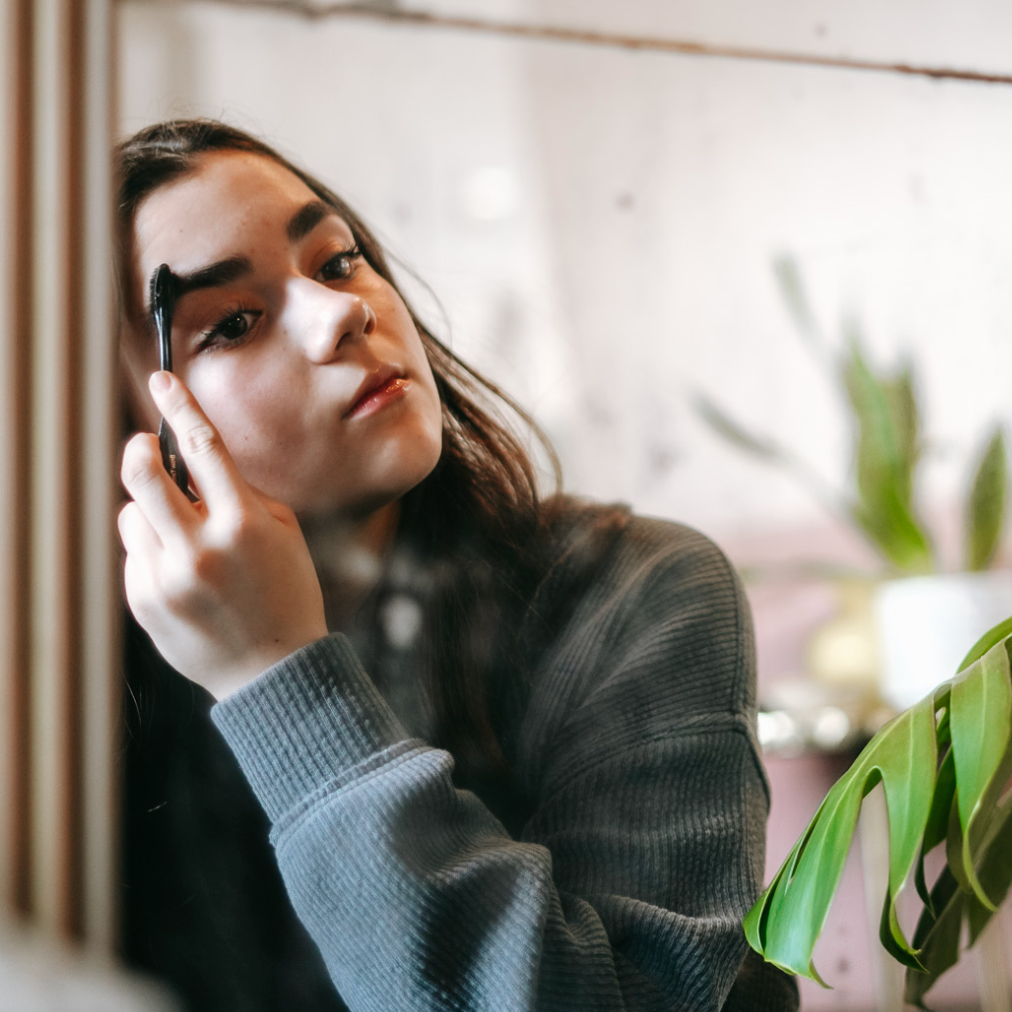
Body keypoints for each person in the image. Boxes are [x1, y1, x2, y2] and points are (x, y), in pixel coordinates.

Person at [115, 119, 798, 1012]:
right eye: (235, 323)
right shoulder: (69, 720)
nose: (343, 311)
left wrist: (280, 679)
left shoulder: (636, 594)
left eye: (334, 260)